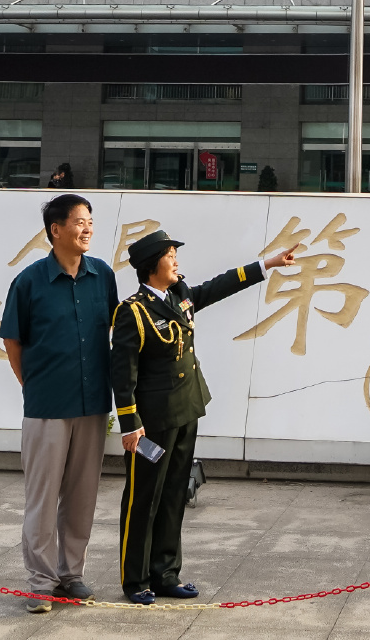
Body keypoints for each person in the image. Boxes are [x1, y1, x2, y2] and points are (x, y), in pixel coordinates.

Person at [111, 229, 296, 603]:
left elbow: (219, 286)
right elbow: (123, 373)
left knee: (175, 493)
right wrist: (130, 425)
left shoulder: (181, 295)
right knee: (143, 498)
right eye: (169, 255)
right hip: (152, 422)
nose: (176, 260)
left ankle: (166, 573)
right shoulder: (133, 311)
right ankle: (136, 581)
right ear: (151, 266)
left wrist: (266, 264)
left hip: (187, 408)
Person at [0, 193, 117, 612]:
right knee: (42, 497)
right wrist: (30, 384)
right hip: (47, 404)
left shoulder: (102, 275)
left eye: (90, 222)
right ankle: (39, 582)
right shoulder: (30, 281)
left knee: (82, 495)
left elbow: (115, 334)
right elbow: (12, 339)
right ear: (56, 230)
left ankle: (71, 575)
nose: (87, 229)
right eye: (80, 222)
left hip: (92, 403)